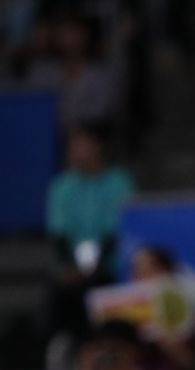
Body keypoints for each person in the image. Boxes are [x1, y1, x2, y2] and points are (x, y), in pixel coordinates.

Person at [47, 123, 135, 337]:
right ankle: (66, 348)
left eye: (81, 144)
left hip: (109, 266)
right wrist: (70, 266)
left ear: (98, 146)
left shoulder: (120, 183)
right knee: (59, 294)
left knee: (95, 287)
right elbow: (59, 233)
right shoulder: (61, 186)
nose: (74, 151)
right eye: (72, 145)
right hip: (71, 267)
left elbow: (114, 232)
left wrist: (88, 268)